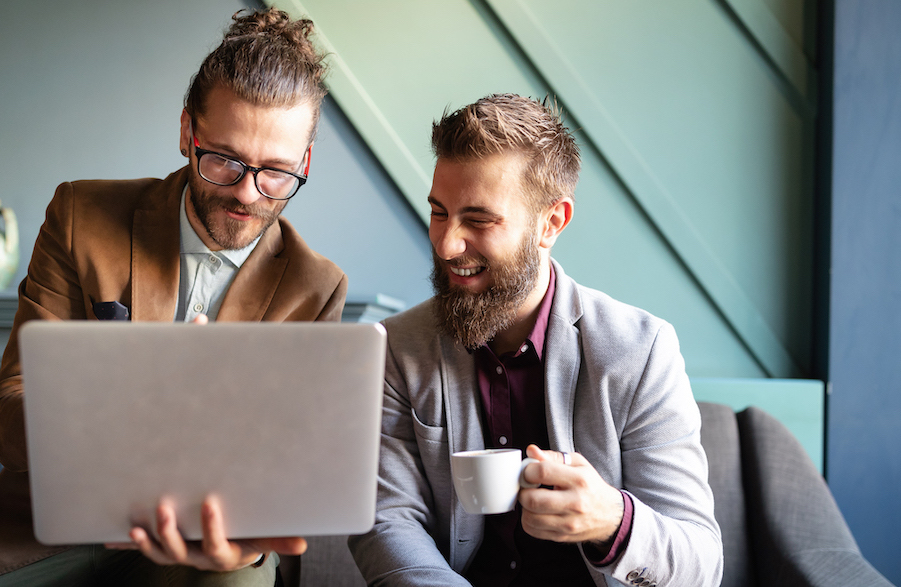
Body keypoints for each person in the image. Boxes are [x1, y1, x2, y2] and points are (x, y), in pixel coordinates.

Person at [0, 8, 345, 586]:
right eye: (224, 161)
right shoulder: (80, 216)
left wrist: (243, 549)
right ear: (187, 131)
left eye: (277, 173)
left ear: (304, 163)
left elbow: (288, 467)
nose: (247, 193)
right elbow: (12, 400)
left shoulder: (315, 288)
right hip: (46, 529)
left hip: (206, 549)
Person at [348, 94, 723, 586]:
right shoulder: (395, 347)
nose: (445, 244)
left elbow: (700, 565)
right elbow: (387, 523)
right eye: (439, 212)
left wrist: (612, 522)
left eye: (479, 220)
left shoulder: (641, 351)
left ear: (552, 223)